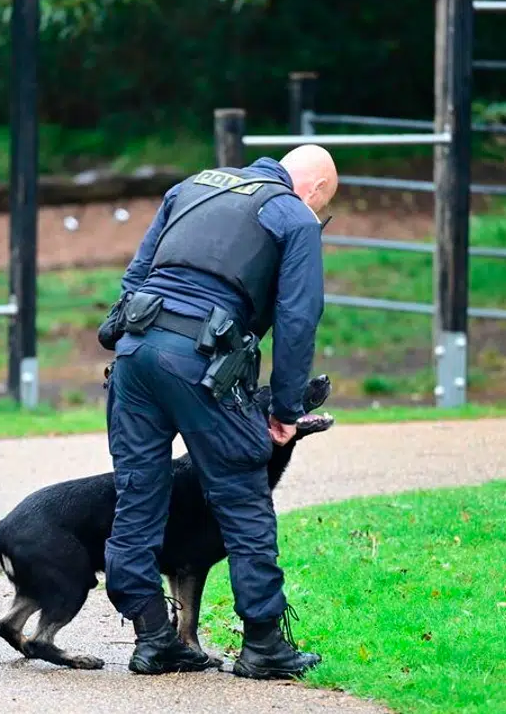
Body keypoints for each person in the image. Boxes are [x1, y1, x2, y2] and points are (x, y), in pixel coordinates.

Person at [99, 144, 338, 679]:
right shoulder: (295, 216)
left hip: (135, 355)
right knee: (242, 494)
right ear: (316, 191)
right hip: (202, 363)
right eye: (324, 207)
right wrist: (285, 408)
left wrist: (142, 340)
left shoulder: (191, 185)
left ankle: (155, 639)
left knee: (137, 495)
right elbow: (298, 317)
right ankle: (265, 648)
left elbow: (135, 277)